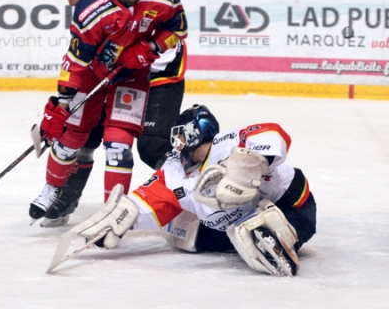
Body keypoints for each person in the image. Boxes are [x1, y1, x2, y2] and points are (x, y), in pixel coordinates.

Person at [61, 104, 317, 276]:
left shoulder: (229, 142)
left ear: (196, 132)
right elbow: (146, 204)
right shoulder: (174, 170)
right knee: (194, 239)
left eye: (180, 136)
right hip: (225, 227)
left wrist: (247, 165)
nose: (177, 143)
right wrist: (121, 217)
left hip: (291, 205)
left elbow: (275, 134)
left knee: (253, 232)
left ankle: (278, 238)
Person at [29, 0, 188, 225]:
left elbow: (179, 28)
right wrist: (61, 103)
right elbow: (77, 60)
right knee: (73, 138)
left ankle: (112, 212)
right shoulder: (92, 8)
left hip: (138, 75)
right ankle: (56, 191)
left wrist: (147, 49)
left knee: (120, 145)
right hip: (95, 75)